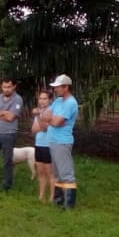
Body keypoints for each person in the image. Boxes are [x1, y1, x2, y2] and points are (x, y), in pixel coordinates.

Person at [40, 73, 79, 208]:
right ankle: (59, 200)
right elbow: (45, 115)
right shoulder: (58, 101)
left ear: (66, 87)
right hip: (53, 141)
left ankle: (69, 204)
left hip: (62, 141)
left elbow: (57, 122)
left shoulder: (70, 103)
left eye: (58, 87)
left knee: (66, 172)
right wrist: (53, 119)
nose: (55, 89)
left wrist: (52, 119)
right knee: (57, 173)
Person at [31, 88, 55, 204]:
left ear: (50, 100)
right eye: (40, 98)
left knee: (49, 172)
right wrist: (40, 122)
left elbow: (43, 128)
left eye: (45, 99)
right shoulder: (39, 112)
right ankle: (41, 195)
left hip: (48, 145)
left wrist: (39, 119)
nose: (42, 101)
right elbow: (34, 129)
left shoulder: (50, 111)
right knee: (40, 171)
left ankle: (52, 196)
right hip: (38, 144)